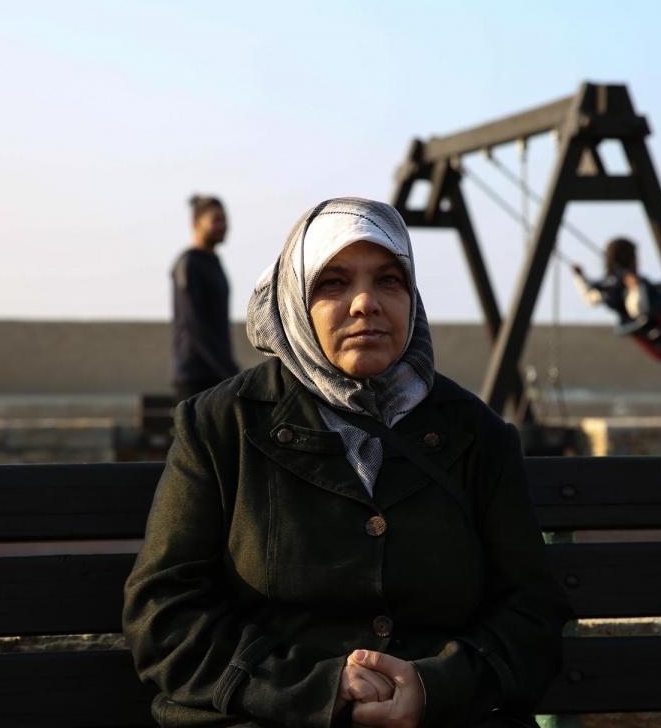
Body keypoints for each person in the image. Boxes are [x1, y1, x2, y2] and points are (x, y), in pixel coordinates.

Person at [124, 197, 571, 728]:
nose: (366, 303)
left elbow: (531, 612)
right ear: (294, 300)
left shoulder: (475, 433)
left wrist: (433, 687)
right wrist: (321, 690)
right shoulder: (221, 426)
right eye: (333, 283)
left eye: (389, 280)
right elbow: (163, 614)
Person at [172, 194, 240, 400]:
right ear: (196, 223)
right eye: (216, 219)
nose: (223, 225)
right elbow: (195, 325)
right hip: (196, 377)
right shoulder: (189, 263)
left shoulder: (213, 261)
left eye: (224, 219)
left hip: (217, 375)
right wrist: (228, 372)